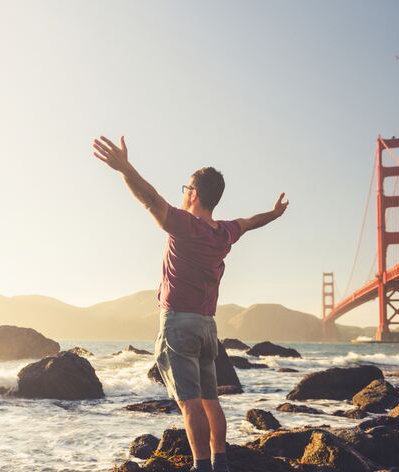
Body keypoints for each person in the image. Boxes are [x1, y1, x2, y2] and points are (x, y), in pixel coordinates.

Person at [93, 135, 288, 472]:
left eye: (185, 188)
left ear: (194, 194)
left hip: (179, 325)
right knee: (211, 401)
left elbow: (150, 198)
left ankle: (201, 466)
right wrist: (274, 213)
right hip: (207, 327)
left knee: (190, 405)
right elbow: (251, 222)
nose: (182, 193)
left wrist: (124, 168)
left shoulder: (186, 226)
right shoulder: (224, 232)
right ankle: (220, 463)